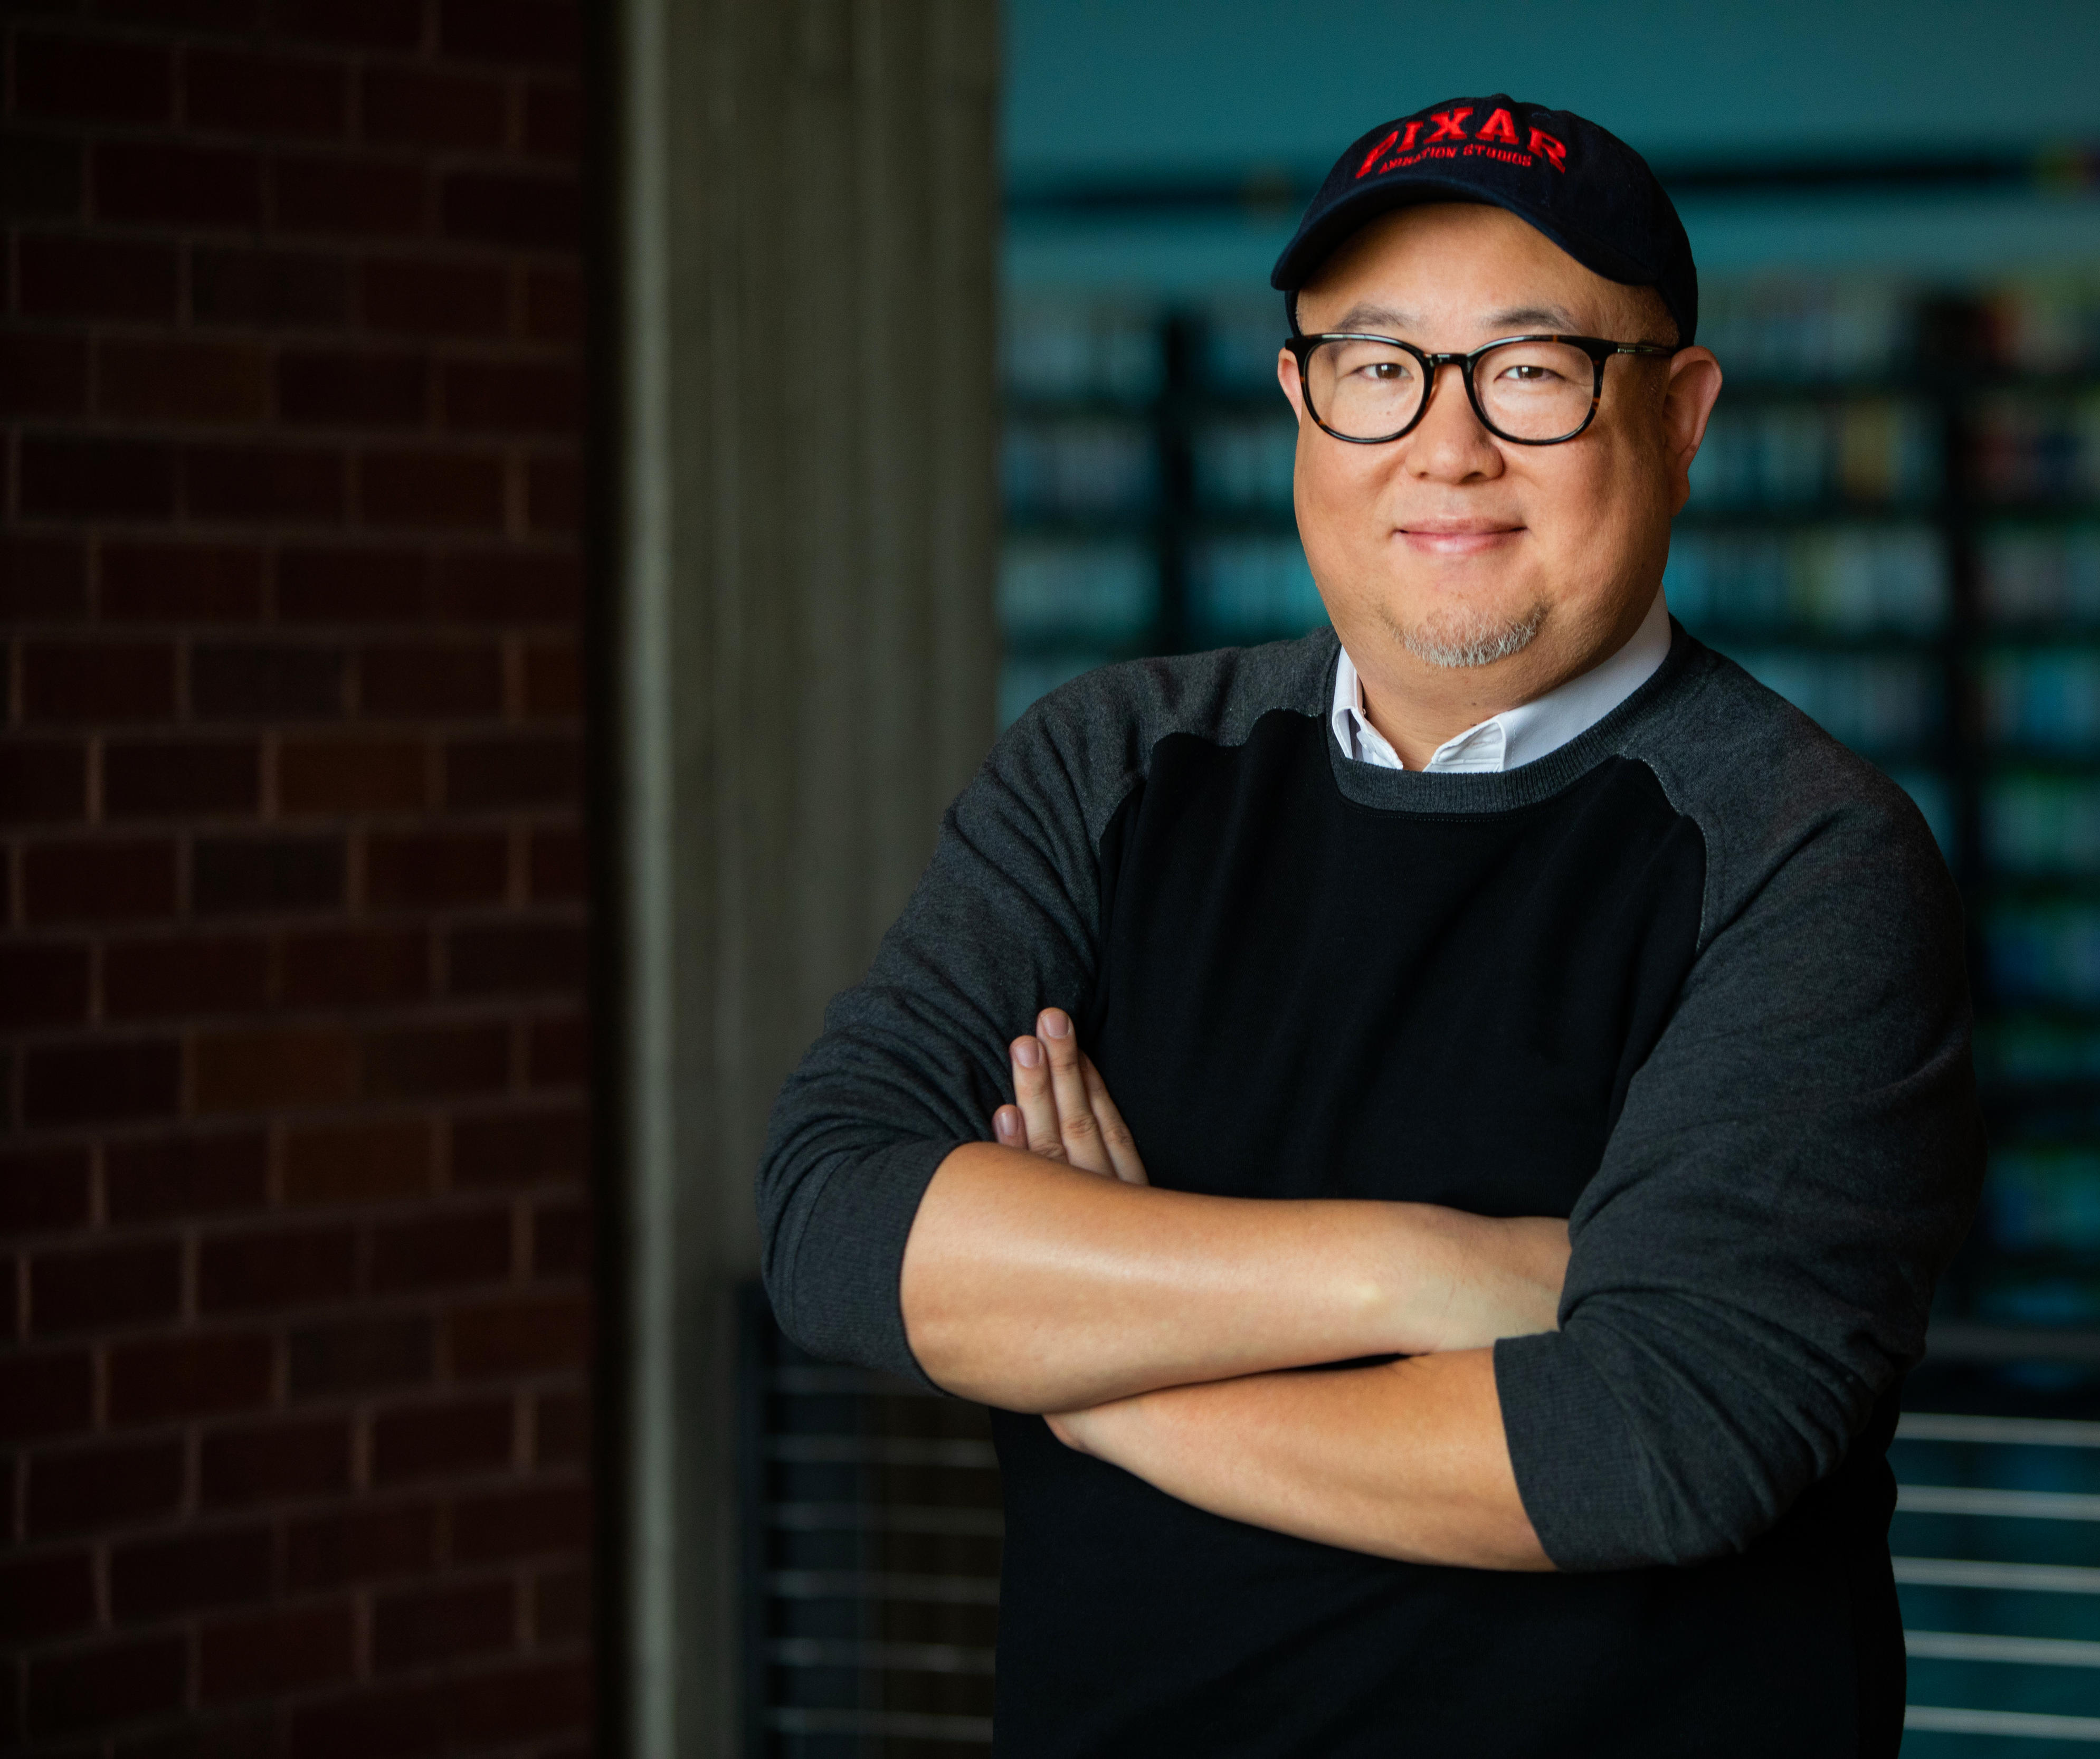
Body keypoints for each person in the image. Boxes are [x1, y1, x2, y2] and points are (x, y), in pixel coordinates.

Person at [759, 93, 1984, 1757]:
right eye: (1378, 364)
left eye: (1533, 371)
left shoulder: (1808, 855)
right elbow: (837, 1221)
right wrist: (1435, 1271)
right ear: (1300, 402)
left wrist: (1092, 1375)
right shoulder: (1109, 767)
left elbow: (1655, 1440)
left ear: (1682, 414)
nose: (1446, 446)